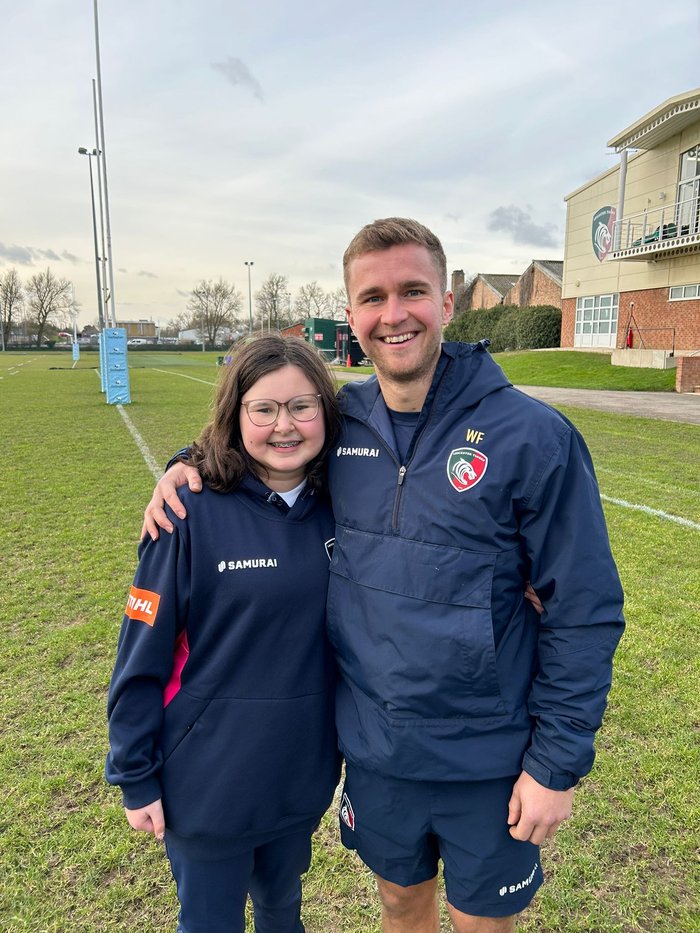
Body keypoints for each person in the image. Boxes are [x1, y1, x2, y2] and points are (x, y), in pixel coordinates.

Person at [143, 218, 625, 933]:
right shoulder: (341, 421)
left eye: (413, 291)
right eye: (373, 297)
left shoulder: (533, 436)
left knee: (480, 921)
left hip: (488, 753)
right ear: (351, 316)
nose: (393, 314)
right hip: (376, 750)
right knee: (400, 903)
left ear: (448, 302)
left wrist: (556, 763)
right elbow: (265, 435)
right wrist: (189, 459)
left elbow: (584, 609)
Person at [107, 335, 342, 933]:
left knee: (282, 912)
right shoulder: (186, 511)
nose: (283, 425)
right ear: (235, 415)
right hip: (207, 781)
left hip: (299, 776)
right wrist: (135, 773)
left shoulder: (345, 503)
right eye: (263, 409)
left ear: (325, 412)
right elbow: (141, 652)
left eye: (301, 407)